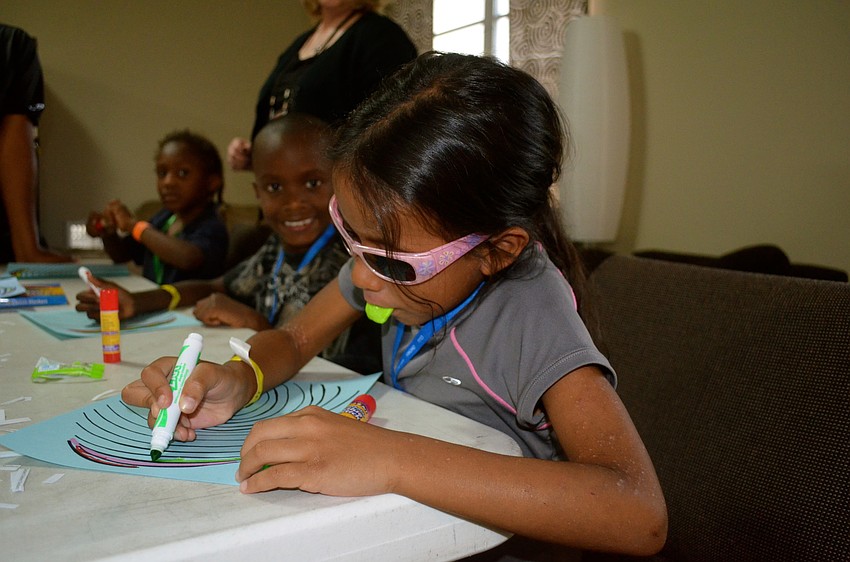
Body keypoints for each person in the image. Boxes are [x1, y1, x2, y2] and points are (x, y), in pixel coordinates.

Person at [123, 53, 667, 558]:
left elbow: (637, 510)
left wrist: (388, 457)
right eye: (351, 235)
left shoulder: (529, 309)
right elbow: (294, 337)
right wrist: (240, 377)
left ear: (497, 251)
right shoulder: (391, 254)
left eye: (393, 262)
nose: (361, 275)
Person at [77, 114, 381, 375]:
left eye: (312, 183)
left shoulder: (357, 262)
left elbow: (352, 367)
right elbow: (216, 286)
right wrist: (138, 302)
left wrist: (255, 323)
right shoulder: (275, 249)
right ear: (257, 193)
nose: (293, 202)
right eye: (275, 187)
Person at [227, 0, 416, 171]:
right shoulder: (300, 43)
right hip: (284, 186)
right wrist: (254, 153)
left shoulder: (381, 36)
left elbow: (390, 123)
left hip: (337, 185)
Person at [86, 130, 229, 284]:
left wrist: (133, 226)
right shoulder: (165, 217)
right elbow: (123, 254)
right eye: (162, 173)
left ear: (212, 182)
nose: (168, 182)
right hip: (153, 298)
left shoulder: (213, 225)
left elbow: (188, 258)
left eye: (182, 173)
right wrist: (107, 233)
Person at [0, 23, 72, 264]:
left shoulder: (11, 44)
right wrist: (27, 249)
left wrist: (27, 249)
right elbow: (14, 136)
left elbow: (14, 136)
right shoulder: (11, 43)